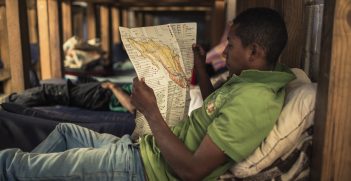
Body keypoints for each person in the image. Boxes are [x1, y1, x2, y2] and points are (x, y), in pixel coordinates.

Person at [0, 7, 295, 180]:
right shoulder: (247, 83)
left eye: (230, 45)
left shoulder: (256, 101)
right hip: (140, 151)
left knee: (15, 164)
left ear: (255, 51)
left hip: (141, 170)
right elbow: (212, 110)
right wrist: (201, 70)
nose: (227, 51)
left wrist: (151, 110)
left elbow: (192, 171)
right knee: (64, 131)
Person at [4, 80, 135, 113]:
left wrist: (113, 87)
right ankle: (11, 102)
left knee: (49, 92)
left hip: (101, 97)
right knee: (51, 92)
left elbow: (132, 107)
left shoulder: (151, 101)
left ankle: (8, 103)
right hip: (100, 92)